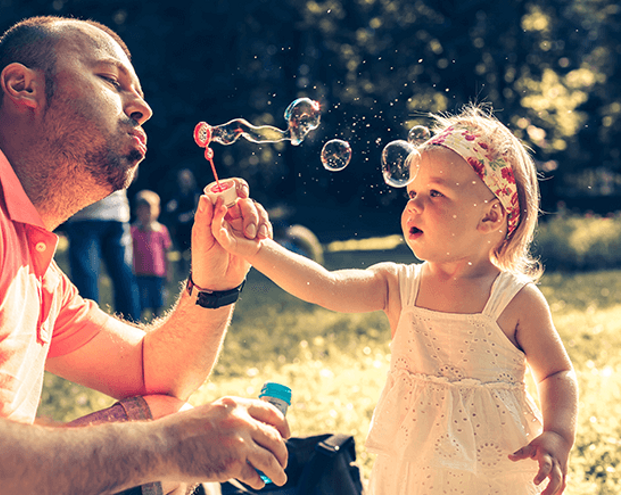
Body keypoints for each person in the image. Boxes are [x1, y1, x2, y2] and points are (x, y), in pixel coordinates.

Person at [0, 15, 288, 495]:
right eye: (111, 80)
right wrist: (165, 448)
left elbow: (151, 372)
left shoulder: (30, 254)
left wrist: (215, 282)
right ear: (23, 87)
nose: (143, 109)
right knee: (164, 438)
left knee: (165, 414)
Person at [210, 104, 578, 495]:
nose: (414, 205)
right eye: (413, 192)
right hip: (411, 464)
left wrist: (557, 434)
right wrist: (257, 250)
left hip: (492, 465)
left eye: (435, 193)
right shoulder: (399, 286)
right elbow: (325, 285)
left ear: (489, 217)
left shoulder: (515, 300)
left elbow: (557, 374)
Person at [65, 189, 141, 321]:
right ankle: (132, 327)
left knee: (86, 278)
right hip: (115, 213)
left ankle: (87, 327)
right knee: (123, 276)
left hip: (85, 215)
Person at [132, 189, 173, 319]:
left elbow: (167, 253)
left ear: (157, 210)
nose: (147, 213)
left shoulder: (161, 231)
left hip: (158, 275)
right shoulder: (133, 231)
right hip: (139, 275)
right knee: (140, 304)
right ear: (137, 211)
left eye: (150, 209)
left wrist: (169, 271)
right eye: (143, 209)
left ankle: (156, 327)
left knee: (158, 304)